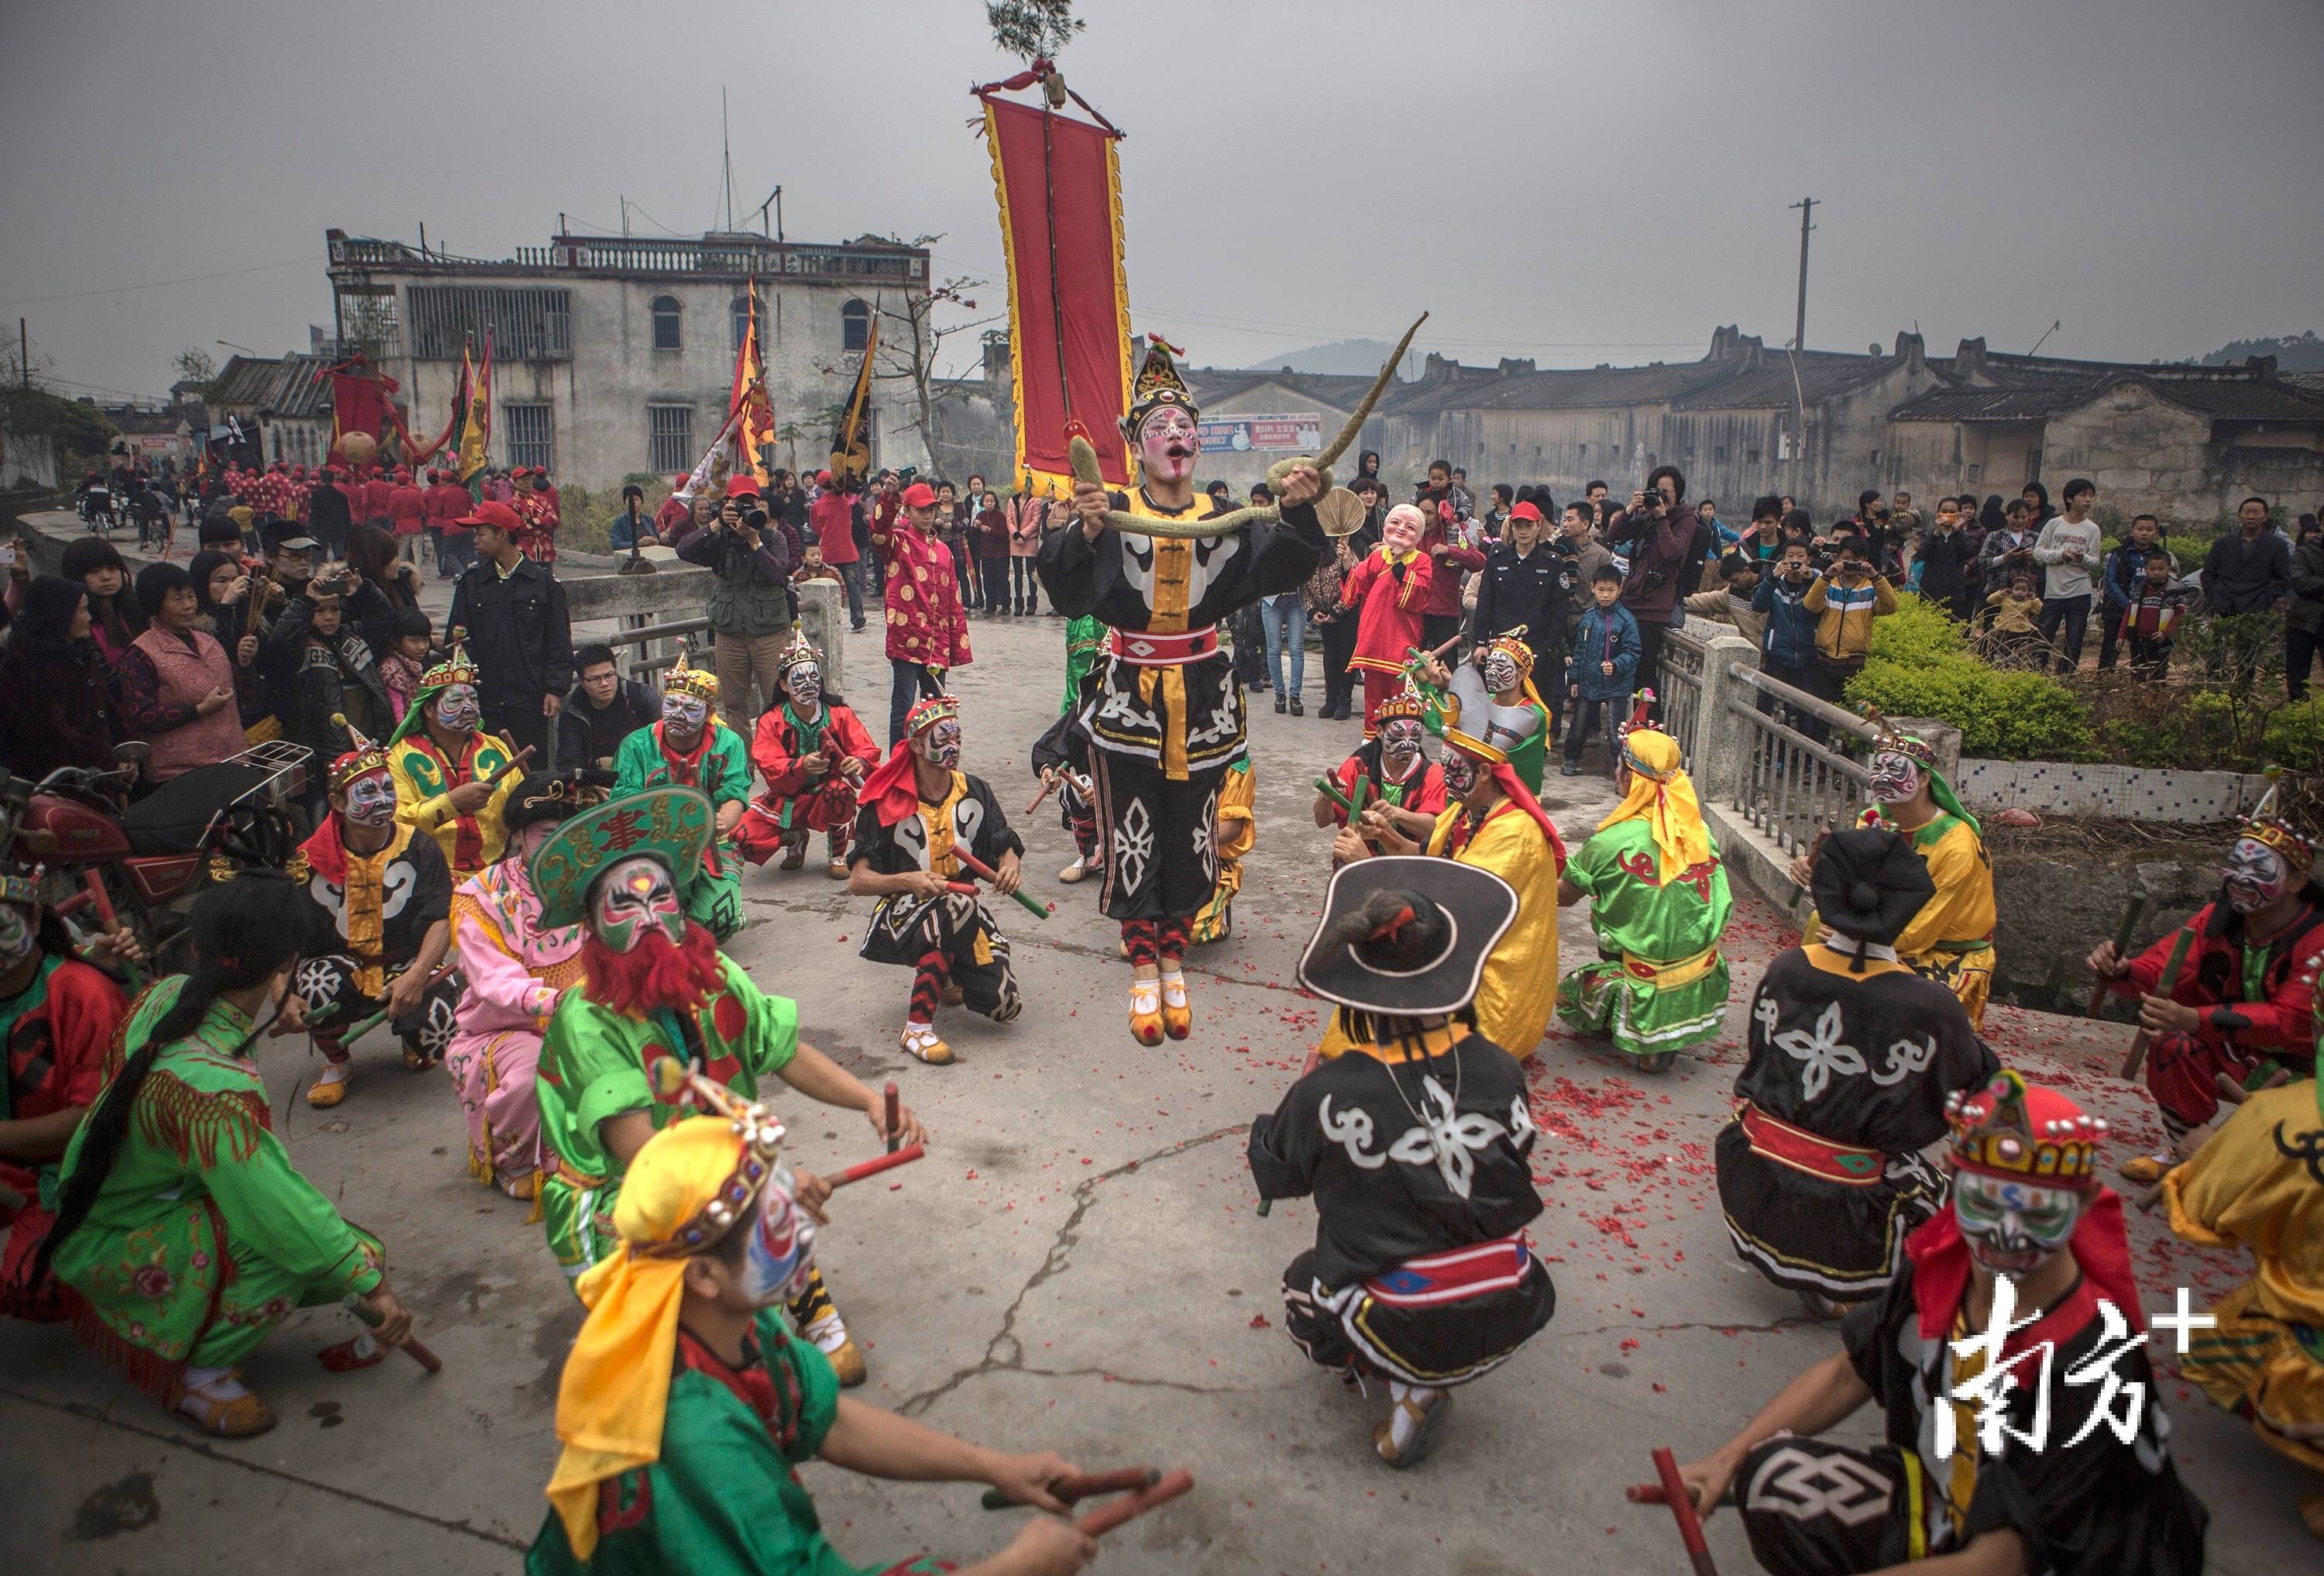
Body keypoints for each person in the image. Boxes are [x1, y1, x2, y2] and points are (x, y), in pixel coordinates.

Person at [525, 1089, 1095, 1576]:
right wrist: (1014, 1567)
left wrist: (998, 1468)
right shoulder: (692, 1431)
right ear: (703, 1274)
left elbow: (831, 1420)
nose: (804, 1230)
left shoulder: (739, 1331)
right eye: (776, 1220)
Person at [1671, 1069, 2210, 1576]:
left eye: (2037, 1205)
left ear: (2084, 1203)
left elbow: (1998, 1562)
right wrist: (1725, 1460)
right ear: (1955, 1186)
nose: (2006, 1228)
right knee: (1773, 1477)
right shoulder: (1939, 1272)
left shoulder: (2096, 1355)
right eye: (1987, 1197)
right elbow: (1847, 1373)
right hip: (1946, 1502)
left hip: (2048, 1558)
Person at [529, 783, 914, 1384]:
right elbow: (647, 1155)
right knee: (684, 1375)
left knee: (747, 1223)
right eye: (624, 906)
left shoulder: (712, 971)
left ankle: (790, 1287)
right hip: (622, 1197)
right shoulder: (586, 1019)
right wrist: (771, 1183)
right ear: (589, 924)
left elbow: (781, 1050)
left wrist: (869, 1102)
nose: (651, 918)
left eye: (661, 898)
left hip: (725, 1169)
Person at [40, 875, 421, 1438]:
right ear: (289, 960)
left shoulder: (166, 994)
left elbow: (218, 1022)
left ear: (197, 947)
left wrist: (274, 1002)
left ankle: (209, 1312)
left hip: (97, 1205)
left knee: (354, 1253)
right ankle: (200, 1374)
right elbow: (275, 1204)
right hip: (119, 1237)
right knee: (293, 1251)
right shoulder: (211, 1093)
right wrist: (375, 1289)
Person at [1040, 338, 1329, 1045]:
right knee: (1133, 831)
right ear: (1137, 445)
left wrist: (1299, 512)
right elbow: (1063, 582)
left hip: (1202, 694)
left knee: (1192, 831)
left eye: (1185, 427)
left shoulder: (1222, 517)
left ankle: (1175, 958)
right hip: (1129, 694)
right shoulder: (1108, 509)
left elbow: (1280, 568)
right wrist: (1083, 531)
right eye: (1160, 427)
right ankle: (1143, 967)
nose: (1177, 436)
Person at [1249, 859, 1556, 1468]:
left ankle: (1407, 1381)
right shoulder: (1500, 1068)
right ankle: (1418, 1369)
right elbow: (1513, 1155)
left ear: (1363, 988)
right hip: (1513, 1294)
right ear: (1453, 970)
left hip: (1408, 1311)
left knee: (1301, 1290)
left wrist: (1297, 1103)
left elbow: (1277, 1174)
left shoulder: (1331, 1088)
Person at [1719, 828, 1998, 1316]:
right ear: (1910, 906)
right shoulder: (1932, 1005)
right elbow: (1970, 1084)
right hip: (1856, 1193)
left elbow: (1763, 1059)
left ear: (1825, 894)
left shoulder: (1786, 969)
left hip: (1752, 1165)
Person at [2091, 801, 2324, 1181]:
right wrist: (2123, 970)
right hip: (2233, 1051)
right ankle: (2188, 1148)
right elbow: (2163, 971)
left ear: (2298, 882)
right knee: (2172, 1044)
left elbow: (2293, 1021)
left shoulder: (2318, 937)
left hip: (2307, 1071)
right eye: (2235, 864)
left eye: (2258, 869)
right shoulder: (2217, 918)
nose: (2240, 877)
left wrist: (2193, 1018)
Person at [2161, 1064, 2324, 1540]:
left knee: (2215, 1345)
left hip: (2307, 1350)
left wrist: (2204, 1155)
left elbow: (2203, 1212)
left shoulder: (2289, 1117)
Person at [1347, 717, 1566, 1058]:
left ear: (1484, 774)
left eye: (1455, 768)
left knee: (1383, 978)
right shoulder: (1465, 812)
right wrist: (1383, 835)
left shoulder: (1515, 834)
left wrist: (1365, 865)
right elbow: (1418, 855)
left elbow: (1446, 909)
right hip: (1462, 954)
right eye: (1443, 765)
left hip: (1494, 992)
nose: (1445, 776)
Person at [442, 769, 606, 1204]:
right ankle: (515, 1160)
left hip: (582, 1010)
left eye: (568, 833)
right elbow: (492, 978)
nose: (559, 844)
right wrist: (554, 1002)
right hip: (503, 1028)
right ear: (517, 835)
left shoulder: (586, 882)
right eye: (547, 833)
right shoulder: (479, 896)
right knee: (534, 1071)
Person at [286, 718, 460, 1106]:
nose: (383, 800)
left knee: (441, 1024)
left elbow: (440, 917)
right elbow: (285, 932)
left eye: (388, 789)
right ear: (338, 803)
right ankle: (338, 1061)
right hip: (340, 966)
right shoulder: (307, 859)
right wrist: (282, 994)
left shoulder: (419, 846)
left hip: (404, 964)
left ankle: (414, 1039)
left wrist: (416, 976)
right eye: (367, 792)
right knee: (315, 983)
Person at [847, 695, 1025, 1065]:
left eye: (957, 736)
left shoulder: (975, 789)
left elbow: (1005, 843)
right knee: (955, 906)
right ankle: (917, 1028)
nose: (953, 747)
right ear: (915, 744)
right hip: (902, 913)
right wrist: (907, 880)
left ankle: (948, 972)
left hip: (960, 910)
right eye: (942, 739)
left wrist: (1010, 866)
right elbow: (858, 881)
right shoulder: (886, 802)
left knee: (1004, 1004)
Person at [0, 861, 136, 1322]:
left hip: (80, 1174)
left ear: (35, 920)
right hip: (14, 1167)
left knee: (33, 1289)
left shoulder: (82, 993)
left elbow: (92, 1121)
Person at [1794, 725, 1999, 1030]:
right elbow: (1851, 883)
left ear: (1925, 779)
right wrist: (1814, 872)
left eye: (1896, 769)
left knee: (1882, 1007)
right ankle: (1805, 1008)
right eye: (1878, 768)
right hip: (1880, 932)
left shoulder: (1957, 846)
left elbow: (1921, 931)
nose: (1883, 777)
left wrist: (1852, 934)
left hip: (1943, 953)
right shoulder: (1875, 821)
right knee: (1817, 921)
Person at [1556, 724, 1731, 1070]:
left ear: (1630, 778)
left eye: (1619, 765)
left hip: (1645, 969)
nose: (1615, 773)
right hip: (1702, 965)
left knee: (1571, 993)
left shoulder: (1609, 842)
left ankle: (1632, 1018)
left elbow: (1563, 897)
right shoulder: (1699, 831)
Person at [612, 650, 751, 941]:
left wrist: (722, 821)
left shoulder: (729, 743)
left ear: (710, 713)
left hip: (712, 842)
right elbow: (625, 803)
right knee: (649, 930)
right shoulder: (636, 745)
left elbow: (735, 793)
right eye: (671, 703)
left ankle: (717, 906)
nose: (677, 713)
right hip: (653, 845)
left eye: (690, 708)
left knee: (716, 923)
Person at [735, 632, 878, 879]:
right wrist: (801, 766)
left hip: (826, 793)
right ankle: (794, 835)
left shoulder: (839, 714)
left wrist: (859, 761)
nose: (809, 684)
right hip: (785, 798)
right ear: (783, 685)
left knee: (839, 792)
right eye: (799, 678)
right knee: (741, 835)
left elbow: (866, 748)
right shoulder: (772, 719)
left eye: (814, 676)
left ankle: (838, 854)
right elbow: (768, 763)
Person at [387, 638, 529, 879]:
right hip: (429, 876)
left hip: (498, 871)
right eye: (456, 701)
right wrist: (452, 803)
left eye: (473, 700)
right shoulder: (400, 758)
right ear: (428, 710)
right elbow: (395, 824)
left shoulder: (497, 747)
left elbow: (521, 806)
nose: (469, 708)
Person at [447, 499, 574, 754]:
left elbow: (558, 641)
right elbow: (457, 640)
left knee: (530, 772)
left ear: (502, 535)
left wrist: (555, 689)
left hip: (529, 699)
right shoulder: (471, 584)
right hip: (483, 700)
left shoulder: (543, 584)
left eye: (481, 534)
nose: (475, 541)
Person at [676, 480, 793, 738]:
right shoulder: (719, 538)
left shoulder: (774, 538)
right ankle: (743, 768)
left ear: (759, 504)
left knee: (778, 702)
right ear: (727, 504)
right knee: (733, 705)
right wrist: (716, 524)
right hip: (730, 636)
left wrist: (755, 541)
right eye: (738, 504)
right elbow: (683, 550)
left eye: (750, 503)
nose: (744, 509)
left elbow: (777, 574)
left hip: (769, 635)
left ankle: (778, 763)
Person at [117, 563, 246, 782]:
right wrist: (198, 710)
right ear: (155, 604)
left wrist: (244, 664)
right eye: (178, 599)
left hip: (234, 759)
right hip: (180, 773)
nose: (188, 606)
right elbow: (142, 716)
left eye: (191, 596)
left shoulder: (209, 641)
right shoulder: (141, 654)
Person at [868, 481, 972, 746]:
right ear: (908, 511)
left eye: (932, 509)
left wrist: (955, 644)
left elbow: (953, 602)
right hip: (907, 641)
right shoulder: (898, 543)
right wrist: (890, 497)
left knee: (936, 709)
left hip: (937, 644)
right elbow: (878, 531)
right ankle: (897, 766)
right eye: (921, 509)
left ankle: (932, 764)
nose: (927, 515)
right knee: (903, 708)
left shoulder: (944, 550)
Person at [0, 577, 125, 780]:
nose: (89, 617)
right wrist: (109, 759)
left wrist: (123, 750)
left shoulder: (78, 651)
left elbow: (104, 705)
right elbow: (52, 735)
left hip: (97, 777)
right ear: (59, 615)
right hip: (54, 784)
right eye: (83, 610)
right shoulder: (22, 666)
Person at [1468, 500, 1576, 731]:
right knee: (1495, 709)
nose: (1523, 531)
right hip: (1500, 649)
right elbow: (1485, 604)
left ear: (1538, 526)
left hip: (1536, 650)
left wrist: (1547, 648)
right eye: (1518, 526)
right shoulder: (1497, 560)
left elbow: (1559, 612)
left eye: (1528, 525)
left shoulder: (1553, 564)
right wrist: (1480, 643)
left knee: (1534, 711)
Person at [1314, 690, 1447, 862]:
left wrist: (1398, 814)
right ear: (1379, 732)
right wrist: (1325, 798)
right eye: (1398, 735)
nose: (1407, 743)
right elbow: (1321, 821)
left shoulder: (1433, 774)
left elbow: (1437, 828)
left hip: (1411, 863)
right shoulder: (1356, 765)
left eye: (1415, 735)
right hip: (1359, 859)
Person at [1339, 503, 1435, 735]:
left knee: (1401, 695)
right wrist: (1345, 563)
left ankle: (1400, 737)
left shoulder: (1421, 560)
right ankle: (1372, 738)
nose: (1401, 529)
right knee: (1373, 696)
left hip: (1402, 639)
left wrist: (1400, 566)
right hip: (1373, 637)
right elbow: (1356, 585)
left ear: (1419, 536)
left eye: (1410, 527)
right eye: (1396, 522)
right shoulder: (1376, 556)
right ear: (1385, 527)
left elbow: (1420, 596)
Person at [187, 549, 274, 738]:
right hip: (218, 713)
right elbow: (214, 653)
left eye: (235, 579)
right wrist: (224, 608)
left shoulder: (250, 613)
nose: (231, 586)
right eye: (221, 581)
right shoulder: (192, 623)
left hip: (256, 711)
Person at [1563, 564, 1638, 774]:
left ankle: (1620, 769)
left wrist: (1616, 665)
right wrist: (1574, 680)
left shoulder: (1626, 621)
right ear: (1593, 588)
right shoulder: (1588, 618)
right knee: (1578, 725)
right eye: (1601, 590)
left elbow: (1633, 653)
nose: (1606, 595)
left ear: (1620, 590)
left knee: (1616, 732)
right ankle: (1571, 759)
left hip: (1617, 686)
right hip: (1588, 683)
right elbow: (1579, 651)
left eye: (1611, 590)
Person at [1805, 542, 1897, 704]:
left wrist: (1875, 577)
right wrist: (1826, 576)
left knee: (1849, 713)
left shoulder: (1870, 588)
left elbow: (1891, 607)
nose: (1850, 564)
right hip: (1823, 660)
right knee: (1819, 713)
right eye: (1846, 559)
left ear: (1864, 561)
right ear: (1837, 558)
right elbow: (1810, 605)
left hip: (1854, 663)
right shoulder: (1829, 584)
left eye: (1856, 560)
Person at [2030, 478, 2102, 673]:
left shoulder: (2092, 529)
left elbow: (2095, 561)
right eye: (2083, 495)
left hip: (2080, 591)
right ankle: (2036, 675)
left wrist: (2082, 558)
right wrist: (2060, 554)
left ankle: (2064, 678)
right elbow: (2038, 553)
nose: (2088, 500)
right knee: (2044, 636)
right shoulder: (2054, 524)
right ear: (2070, 499)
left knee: (2075, 640)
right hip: (2054, 591)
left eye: (2091, 495)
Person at [1412, 460, 1485, 654]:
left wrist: (1450, 551)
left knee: (1445, 673)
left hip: (1445, 613)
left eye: (1429, 513)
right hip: (1415, 614)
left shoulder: (1455, 535)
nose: (1425, 518)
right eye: (1421, 513)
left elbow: (1479, 562)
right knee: (1412, 671)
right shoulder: (1411, 539)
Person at [556, 644, 659, 773]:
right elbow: (569, 764)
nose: (604, 684)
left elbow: (663, 744)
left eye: (609, 675)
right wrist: (591, 784)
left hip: (645, 774)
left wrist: (618, 762)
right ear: (582, 682)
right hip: (597, 782)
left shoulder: (641, 697)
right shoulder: (573, 712)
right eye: (595, 679)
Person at [61, 535, 147, 675]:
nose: (106, 576)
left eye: (112, 568)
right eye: (94, 572)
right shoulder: (78, 624)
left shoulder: (136, 611)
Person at [2099, 513, 2170, 672]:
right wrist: (2129, 607)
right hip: (2118, 610)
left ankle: (2144, 682)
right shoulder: (2118, 553)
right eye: (2140, 529)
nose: (2144, 533)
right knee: (2110, 649)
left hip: (2149, 614)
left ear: (2156, 533)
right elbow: (2110, 582)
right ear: (2132, 531)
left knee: (2143, 652)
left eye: (2149, 529)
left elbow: (2169, 583)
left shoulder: (2161, 556)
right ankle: (2102, 680)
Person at [1308, 525, 1363, 722]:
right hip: (1324, 615)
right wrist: (1312, 611)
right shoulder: (1310, 555)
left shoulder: (1341, 551)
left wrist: (1336, 611)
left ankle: (1344, 699)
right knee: (1330, 656)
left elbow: (1353, 582)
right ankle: (1330, 698)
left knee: (1346, 655)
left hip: (1346, 613)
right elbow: (1304, 585)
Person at [2201, 496, 2291, 616]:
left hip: (2257, 608)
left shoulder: (2277, 545)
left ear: (2265, 517)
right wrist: (2213, 595)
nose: (2251, 517)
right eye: (2247, 512)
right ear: (2240, 516)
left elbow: (2282, 579)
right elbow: (2208, 573)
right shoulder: (2223, 542)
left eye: (2256, 513)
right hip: (2222, 605)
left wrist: (2266, 600)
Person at [806, 471, 866, 631]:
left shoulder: (817, 506)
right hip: (848, 550)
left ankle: (831, 620)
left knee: (830, 587)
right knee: (852, 585)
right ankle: (858, 617)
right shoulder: (846, 502)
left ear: (819, 485)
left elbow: (816, 528)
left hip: (828, 551)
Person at [2119, 550, 2190, 679]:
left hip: (2161, 641)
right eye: (2152, 569)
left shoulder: (2174, 592)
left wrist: (2165, 633)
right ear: (2146, 569)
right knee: (2137, 674)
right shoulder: (2139, 590)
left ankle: (2156, 697)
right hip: (2138, 639)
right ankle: (2136, 697)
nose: (2156, 572)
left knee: (2158, 674)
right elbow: (2128, 613)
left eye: (2161, 568)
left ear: (2169, 569)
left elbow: (2179, 616)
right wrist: (2121, 635)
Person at [1916, 497, 1981, 624]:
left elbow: (1966, 554)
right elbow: (1921, 555)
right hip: (1930, 591)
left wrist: (1957, 532)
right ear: (1938, 513)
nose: (1948, 515)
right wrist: (1936, 534)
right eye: (1944, 511)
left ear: (1958, 514)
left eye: (1952, 512)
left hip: (1955, 593)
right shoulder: (1928, 535)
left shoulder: (1965, 536)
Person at [379, 606, 434, 725]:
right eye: (414, 641)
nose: (422, 647)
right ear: (395, 641)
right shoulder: (392, 671)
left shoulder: (416, 666)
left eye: (425, 640)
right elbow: (398, 718)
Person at [2288, 514, 2324, 699]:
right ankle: (2296, 720)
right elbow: (2300, 583)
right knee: (2297, 678)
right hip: (2303, 619)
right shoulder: (2304, 552)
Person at [1981, 569, 2047, 667]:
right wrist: (2000, 593)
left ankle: (2013, 666)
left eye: (2024, 590)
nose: (2020, 592)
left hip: (2020, 632)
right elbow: (1989, 600)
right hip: (2003, 629)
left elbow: (2040, 611)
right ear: (2011, 589)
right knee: (2000, 649)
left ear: (2029, 592)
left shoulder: (2029, 603)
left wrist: (2034, 599)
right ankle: (1998, 665)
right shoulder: (2005, 599)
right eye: (2017, 589)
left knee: (2016, 651)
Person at [1009, 479, 1045, 615]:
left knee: (1031, 574)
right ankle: (1018, 605)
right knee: (1017, 574)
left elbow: (1036, 521)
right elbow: (1009, 520)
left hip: (1030, 540)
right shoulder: (1012, 501)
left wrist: (1022, 535)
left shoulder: (1036, 501)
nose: (1025, 488)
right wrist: (1015, 534)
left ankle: (1032, 605)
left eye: (1028, 485)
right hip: (1015, 541)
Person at [977, 487, 1013, 617]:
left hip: (1001, 554)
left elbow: (1004, 534)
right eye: (987, 501)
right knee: (987, 580)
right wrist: (975, 527)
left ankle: (1005, 605)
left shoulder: (1000, 516)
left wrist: (990, 531)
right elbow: (974, 535)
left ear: (995, 502)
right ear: (983, 503)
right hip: (986, 554)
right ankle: (990, 605)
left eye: (991, 501)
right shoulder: (980, 516)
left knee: (1002, 579)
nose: (989, 503)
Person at [608, 483, 656, 553]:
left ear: (642, 502)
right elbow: (616, 545)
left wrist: (662, 541)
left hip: (651, 557)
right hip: (630, 560)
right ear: (625, 502)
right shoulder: (620, 521)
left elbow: (657, 539)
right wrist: (640, 543)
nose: (633, 503)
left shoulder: (649, 520)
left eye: (636, 499)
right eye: (629, 500)